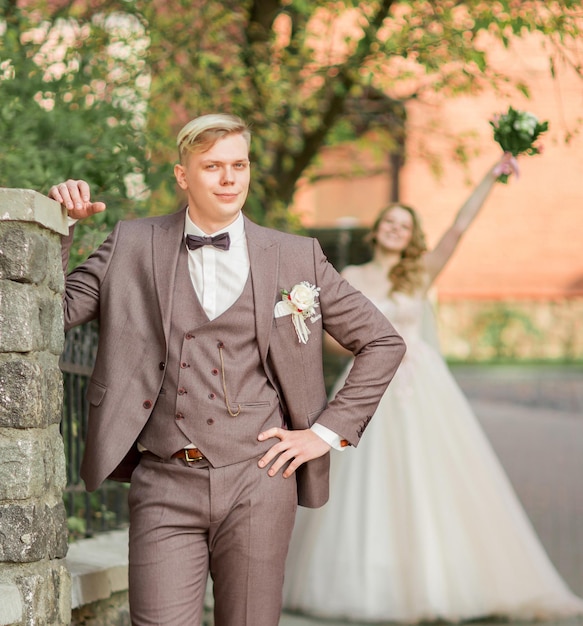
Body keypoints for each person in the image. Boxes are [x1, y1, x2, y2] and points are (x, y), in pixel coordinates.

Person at [48, 113, 406, 626]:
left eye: (238, 165)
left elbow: (382, 341)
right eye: (212, 165)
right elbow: (50, 314)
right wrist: (61, 229)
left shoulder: (295, 256)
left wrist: (324, 433)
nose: (228, 178)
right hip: (165, 480)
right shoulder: (131, 243)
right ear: (182, 175)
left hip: (259, 479)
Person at [283, 153, 583, 622]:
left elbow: (459, 230)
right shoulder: (352, 278)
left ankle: (439, 581)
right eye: (390, 222)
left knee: (432, 481)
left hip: (421, 388)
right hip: (367, 388)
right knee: (365, 486)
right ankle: (369, 578)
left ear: (411, 236)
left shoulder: (419, 272)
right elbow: (331, 341)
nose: (396, 230)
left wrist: (490, 177)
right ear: (377, 228)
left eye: (405, 225)